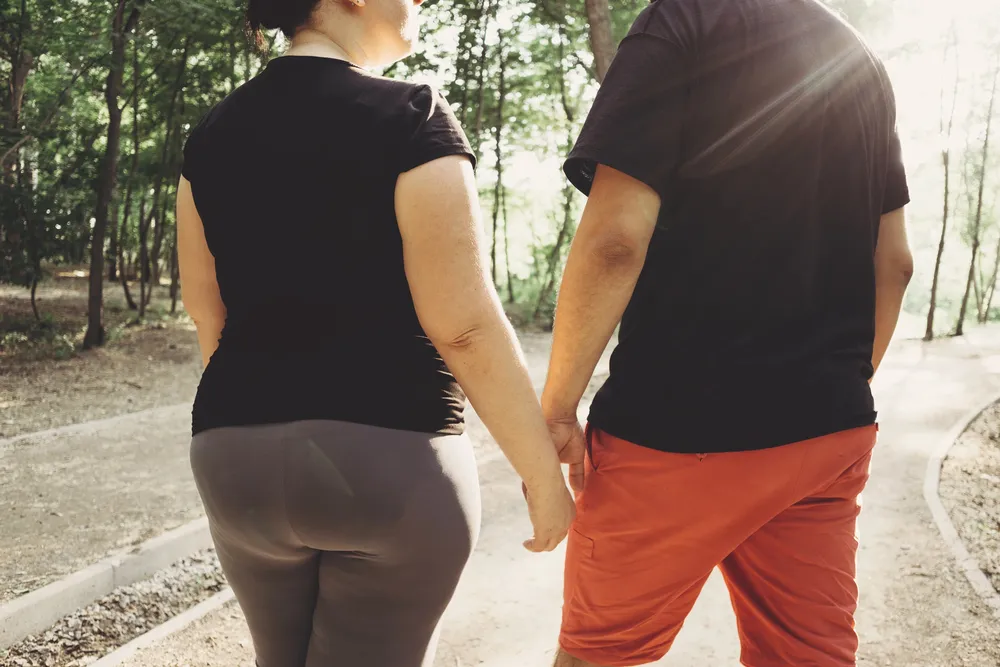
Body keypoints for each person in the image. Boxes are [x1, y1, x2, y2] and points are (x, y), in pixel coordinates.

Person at [175, 0, 575, 664]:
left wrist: (261, 418)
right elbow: (464, 325)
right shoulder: (411, 116)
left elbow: (204, 309)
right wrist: (540, 473)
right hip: (392, 467)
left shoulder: (210, 133)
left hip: (234, 461)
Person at [541, 0, 913, 665]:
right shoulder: (863, 63)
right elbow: (896, 262)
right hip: (828, 435)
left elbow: (616, 241)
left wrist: (558, 406)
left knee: (601, 654)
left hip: (674, 432)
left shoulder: (682, 22)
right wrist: (834, 386)